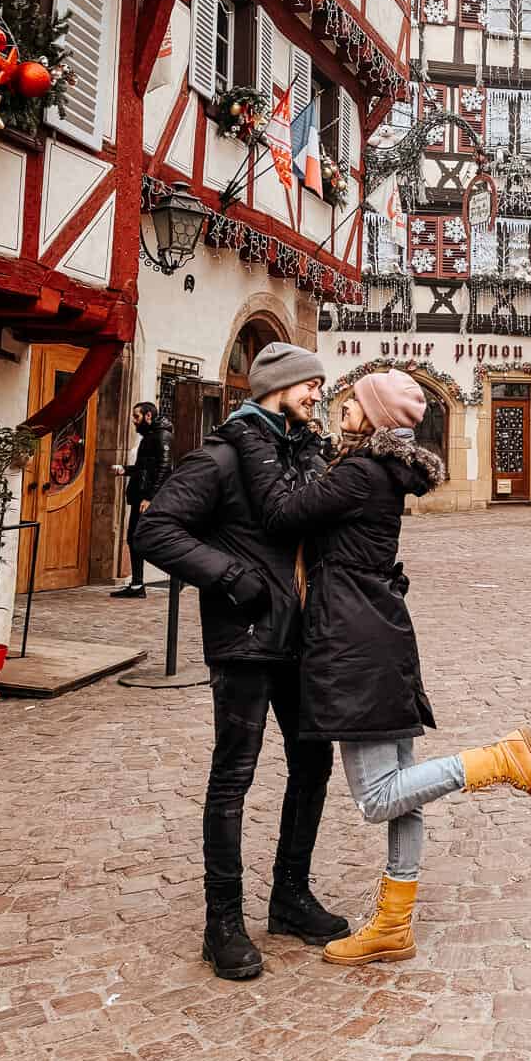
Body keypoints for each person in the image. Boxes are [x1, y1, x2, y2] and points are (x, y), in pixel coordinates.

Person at [224, 367, 531, 968]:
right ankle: (393, 924)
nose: (342, 405)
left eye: (353, 401)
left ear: (373, 415)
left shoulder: (358, 474)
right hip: (381, 632)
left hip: (354, 641)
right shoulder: (383, 471)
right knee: (402, 793)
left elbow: (279, 513)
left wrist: (252, 438)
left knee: (378, 797)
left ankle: (496, 760)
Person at [136, 343, 349, 981]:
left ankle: (289, 896)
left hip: (302, 635)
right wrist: (233, 577)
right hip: (248, 633)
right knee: (235, 774)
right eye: (309, 384)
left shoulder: (300, 453)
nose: (317, 394)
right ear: (277, 386)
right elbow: (154, 530)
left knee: (313, 761)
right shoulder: (222, 458)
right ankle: (221, 922)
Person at [111, 401, 170, 600]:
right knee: (133, 538)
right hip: (141, 495)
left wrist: (150, 497)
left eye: (136, 417)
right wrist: (124, 470)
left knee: (143, 538)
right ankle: (137, 585)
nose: (133, 421)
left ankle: (176, 575)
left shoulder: (162, 435)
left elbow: (164, 468)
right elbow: (144, 468)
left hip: (148, 498)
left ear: (148, 416)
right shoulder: (150, 436)